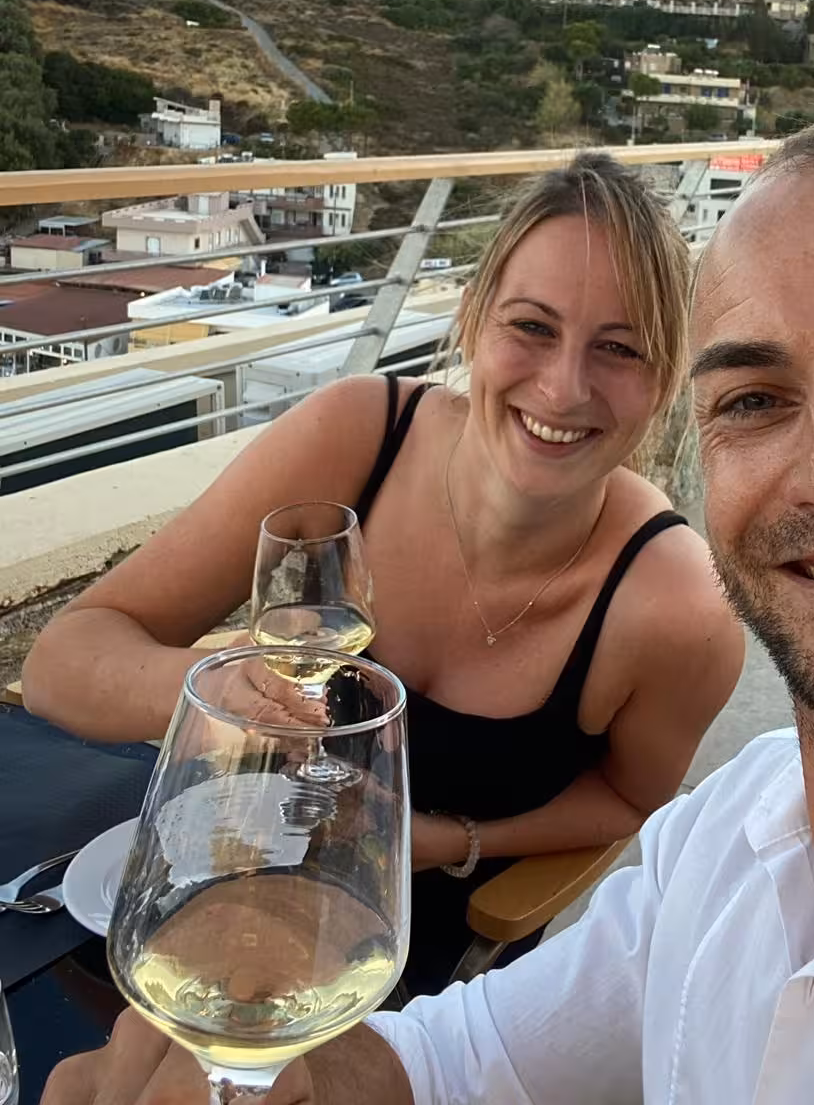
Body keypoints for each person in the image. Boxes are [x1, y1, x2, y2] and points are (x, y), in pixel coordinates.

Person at [45, 115, 814, 1105]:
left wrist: (445, 847)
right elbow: (465, 1056)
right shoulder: (737, 829)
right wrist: (274, 1074)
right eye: (757, 397)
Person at [24, 151, 743, 995]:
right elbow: (62, 663)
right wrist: (216, 693)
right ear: (473, 318)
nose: (562, 388)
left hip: (410, 979)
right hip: (224, 876)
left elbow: (629, 799)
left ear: (666, 381)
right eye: (532, 327)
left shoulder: (679, 609)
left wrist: (450, 842)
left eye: (619, 348)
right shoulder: (358, 439)